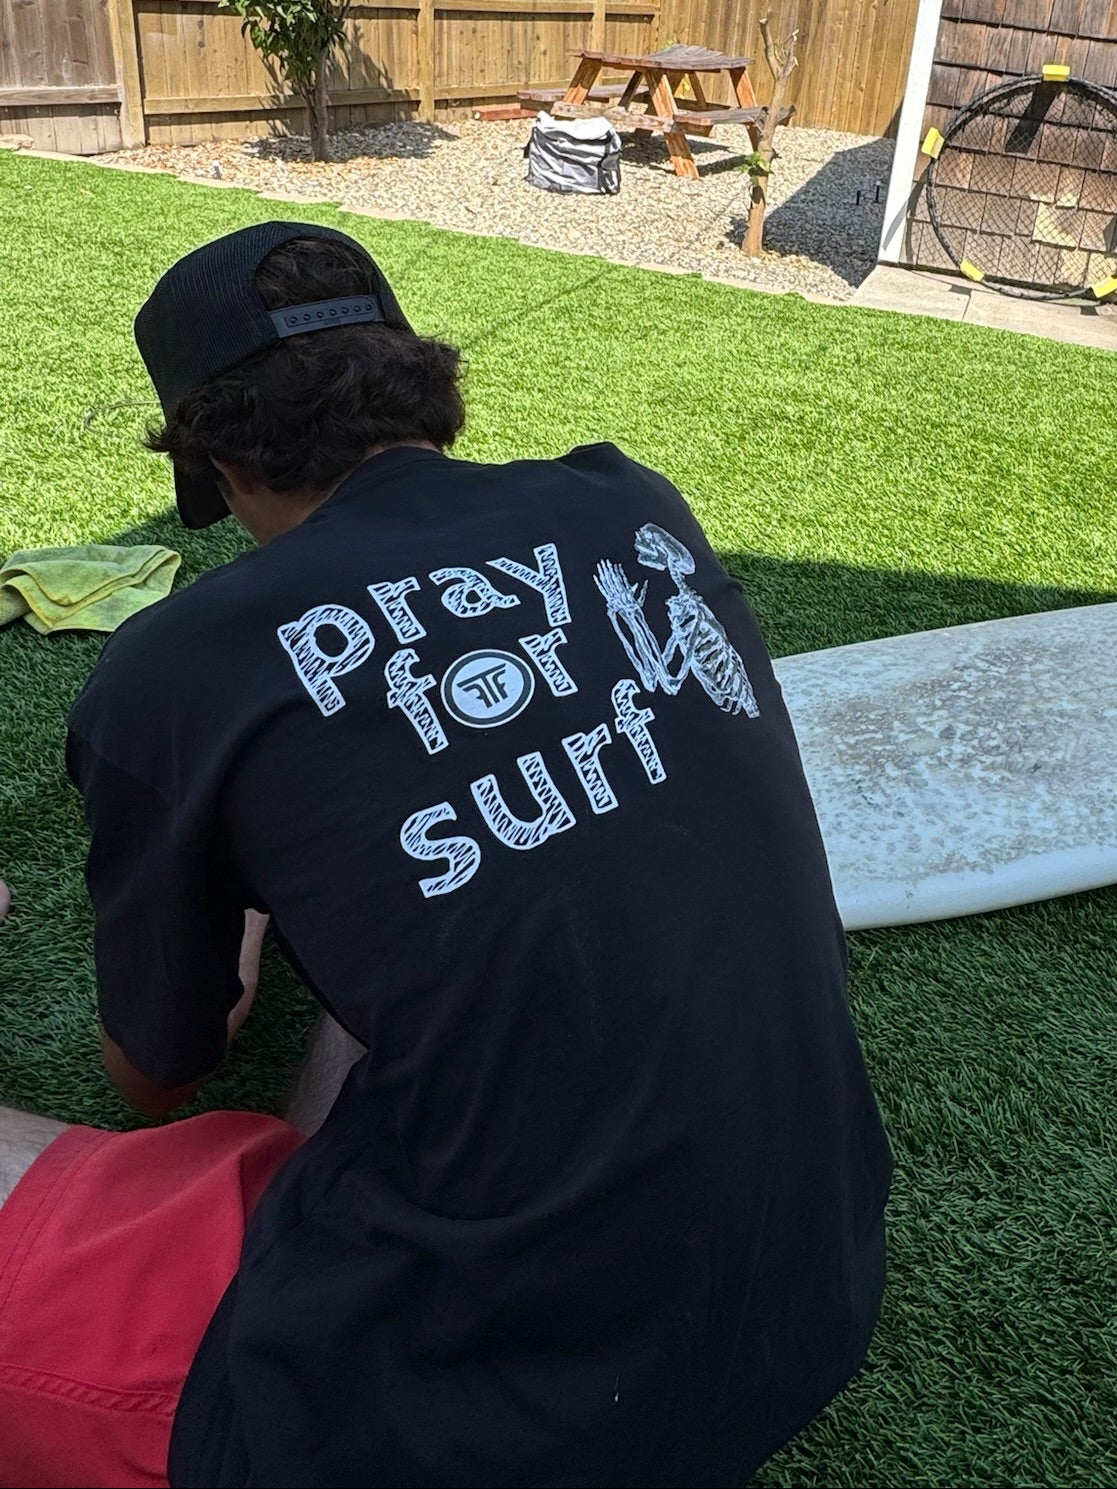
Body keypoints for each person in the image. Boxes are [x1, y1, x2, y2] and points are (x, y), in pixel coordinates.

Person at [0, 222, 893, 1489]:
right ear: (421, 390)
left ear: (222, 464)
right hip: (808, 1303)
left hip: (445, 1421)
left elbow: (156, 1072)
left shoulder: (177, 671)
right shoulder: (628, 504)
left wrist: (230, 880)